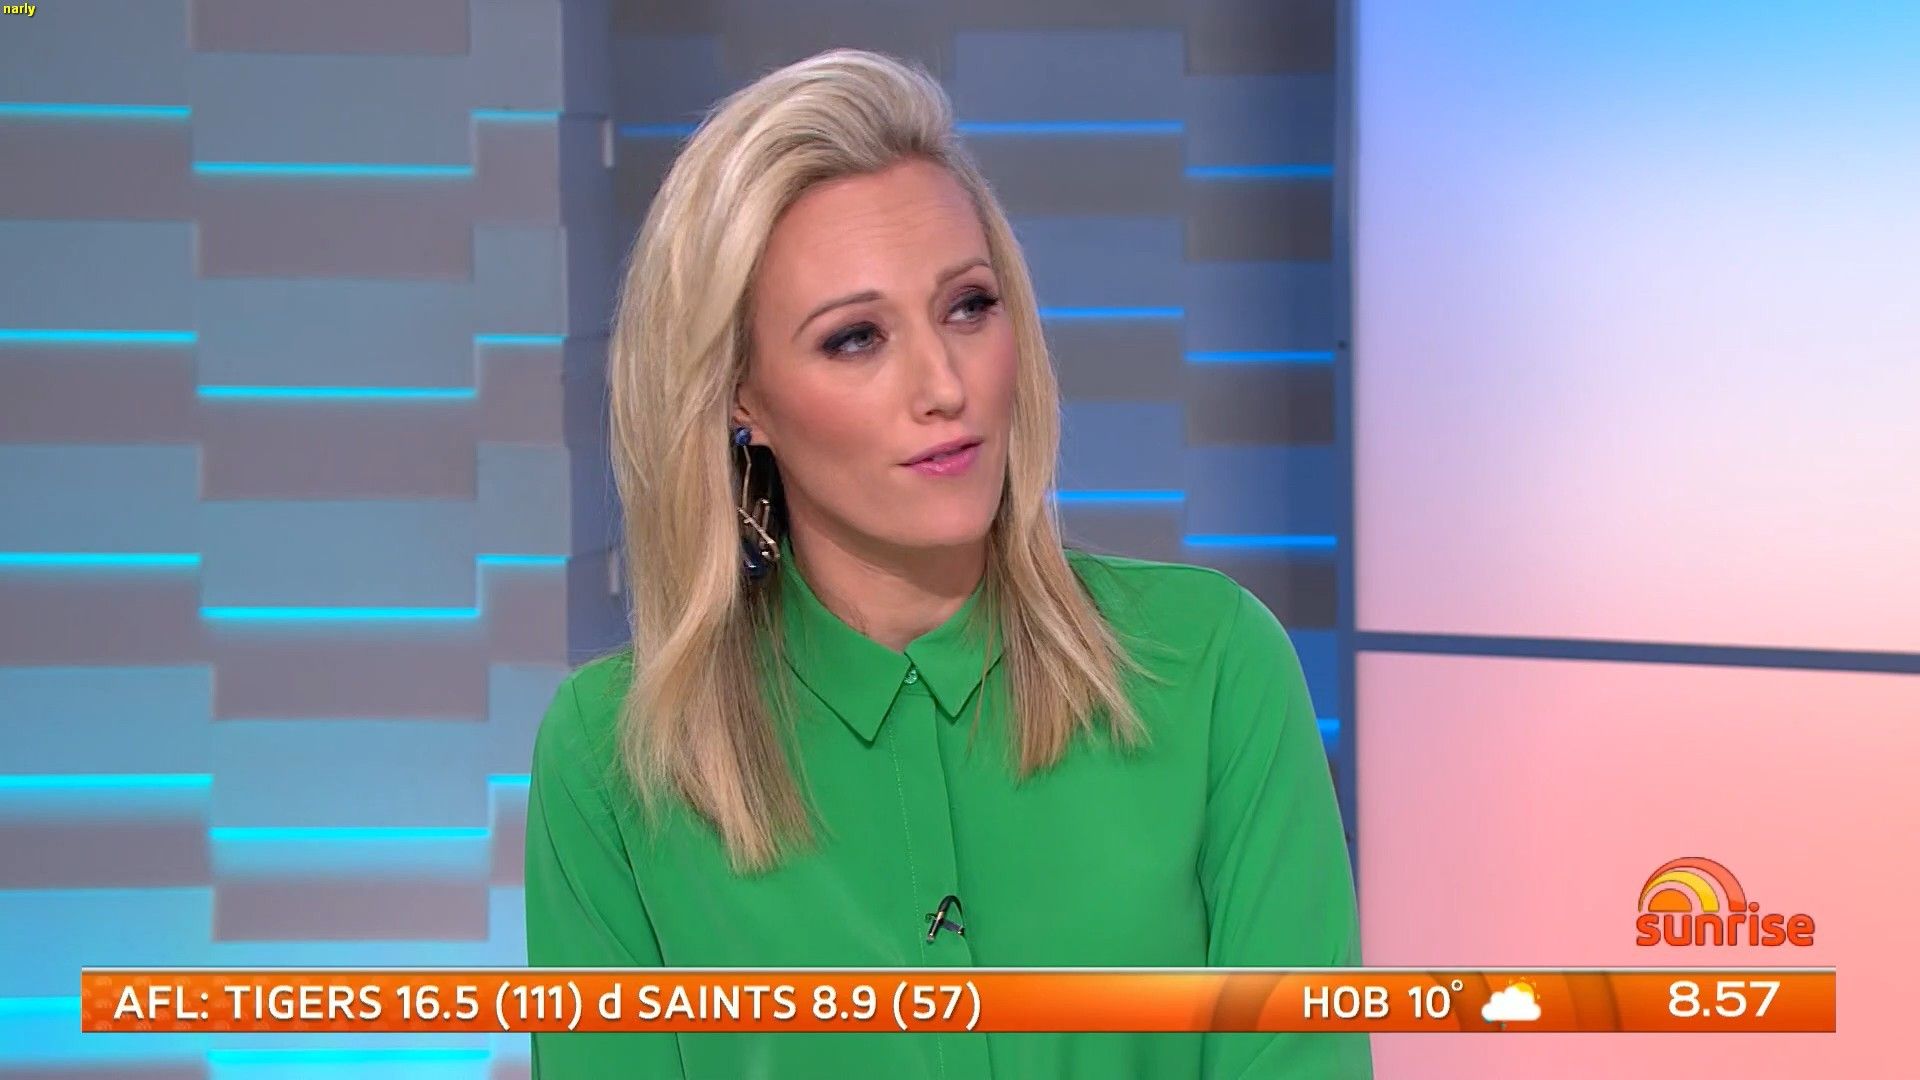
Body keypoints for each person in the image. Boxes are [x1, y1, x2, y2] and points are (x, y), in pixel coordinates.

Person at [524, 47, 1371, 1079]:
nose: (944, 385)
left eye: (969, 306)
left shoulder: (1211, 668)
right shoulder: (616, 759)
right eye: (855, 338)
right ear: (741, 397)